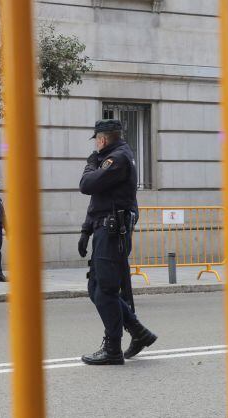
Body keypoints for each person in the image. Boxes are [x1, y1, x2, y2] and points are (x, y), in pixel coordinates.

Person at [78, 119, 157, 365]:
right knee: (96, 289)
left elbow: (87, 185)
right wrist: (86, 230)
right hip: (104, 229)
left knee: (105, 291)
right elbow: (99, 200)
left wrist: (91, 165)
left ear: (102, 139)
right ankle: (138, 331)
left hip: (113, 233)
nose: (96, 145)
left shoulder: (118, 158)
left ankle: (113, 348)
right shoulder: (111, 158)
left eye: (97, 140)